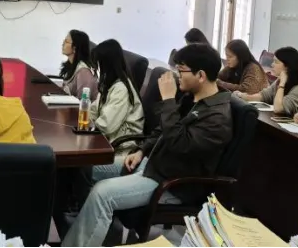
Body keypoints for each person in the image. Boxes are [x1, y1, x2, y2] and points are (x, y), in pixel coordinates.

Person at [61, 43, 232, 248]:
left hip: (169, 182)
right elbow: (162, 130)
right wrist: (142, 150)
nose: (177, 76)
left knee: (101, 194)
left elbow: (179, 144)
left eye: (181, 70)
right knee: (83, 167)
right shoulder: (193, 98)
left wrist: (168, 100)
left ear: (201, 75)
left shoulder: (217, 118)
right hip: (152, 165)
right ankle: (97, 231)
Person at [90, 39, 144, 162]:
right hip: (108, 141)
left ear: (106, 64)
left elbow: (107, 125)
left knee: (81, 166)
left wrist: (89, 126)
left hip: (121, 150)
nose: (95, 68)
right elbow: (94, 109)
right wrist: (84, 119)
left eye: (97, 64)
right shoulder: (108, 83)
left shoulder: (121, 89)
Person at [236, 47, 298, 115]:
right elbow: (264, 95)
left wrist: (282, 84)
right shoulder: (280, 80)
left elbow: (278, 108)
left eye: (276, 62)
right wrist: (243, 96)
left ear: (287, 66)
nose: (272, 65)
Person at [60, 30, 98, 99]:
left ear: (75, 48)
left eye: (66, 42)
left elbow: (83, 100)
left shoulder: (84, 71)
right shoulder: (71, 66)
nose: (63, 44)